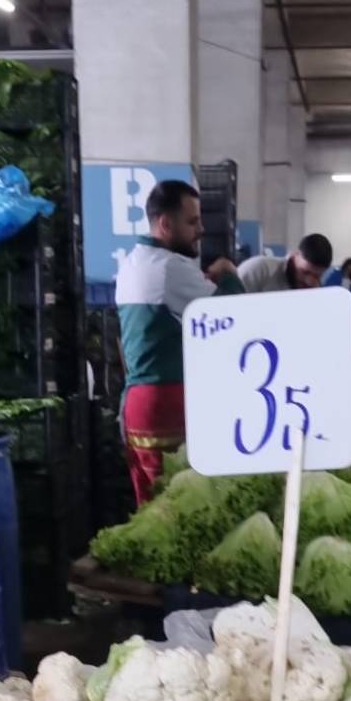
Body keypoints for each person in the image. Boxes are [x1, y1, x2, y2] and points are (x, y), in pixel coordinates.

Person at [114, 178, 242, 506]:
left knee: (151, 510)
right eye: (192, 222)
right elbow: (233, 314)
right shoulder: (170, 268)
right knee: (182, 508)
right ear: (165, 224)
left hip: (136, 403)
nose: (201, 229)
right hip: (165, 401)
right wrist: (228, 274)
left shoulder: (131, 264)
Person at [239, 233, 333, 293]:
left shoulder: (316, 291)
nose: (309, 281)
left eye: (317, 276)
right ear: (295, 255)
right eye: (305, 272)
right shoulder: (259, 269)